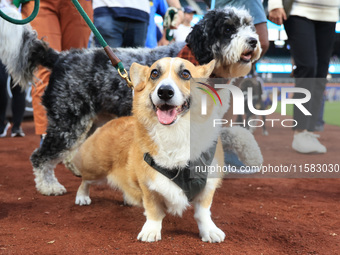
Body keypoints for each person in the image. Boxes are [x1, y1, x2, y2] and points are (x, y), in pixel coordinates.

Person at [268, 0, 339, 153]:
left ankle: (309, 132)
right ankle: (300, 132)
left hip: (331, 12)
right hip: (299, 9)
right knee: (307, 67)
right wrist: (274, 3)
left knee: (321, 73)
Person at [19, 0, 93, 139]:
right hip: (40, 3)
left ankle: (72, 136)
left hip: (78, 3)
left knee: (75, 71)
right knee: (45, 67)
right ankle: (49, 138)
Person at [0, 61, 26, 137]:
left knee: (18, 86)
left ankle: (17, 126)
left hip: (17, 51)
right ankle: (2, 123)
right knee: (1, 81)